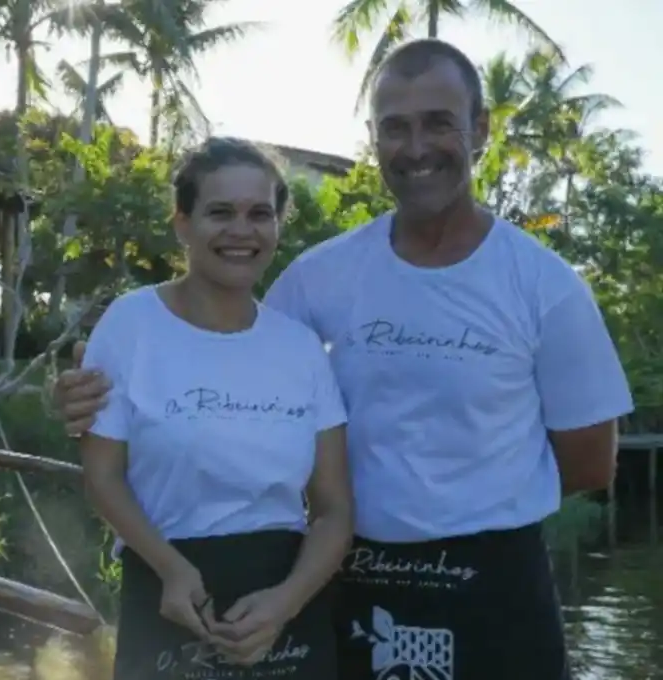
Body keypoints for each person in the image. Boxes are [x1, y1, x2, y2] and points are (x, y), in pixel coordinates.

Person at [55, 39, 633, 680]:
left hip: (495, 586)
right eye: (395, 127)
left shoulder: (546, 286)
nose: (415, 148)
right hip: (350, 580)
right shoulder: (318, 277)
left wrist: (458, 506)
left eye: (438, 123)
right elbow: (226, 358)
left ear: (480, 130)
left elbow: (589, 462)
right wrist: (90, 391)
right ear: (373, 139)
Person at [77, 137, 353, 680]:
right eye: (219, 212)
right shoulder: (131, 326)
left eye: (259, 214)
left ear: (277, 225)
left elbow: (333, 510)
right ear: (182, 223)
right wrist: (172, 570)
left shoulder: (301, 348)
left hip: (283, 608)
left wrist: (286, 602)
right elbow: (103, 475)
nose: (241, 231)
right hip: (169, 597)